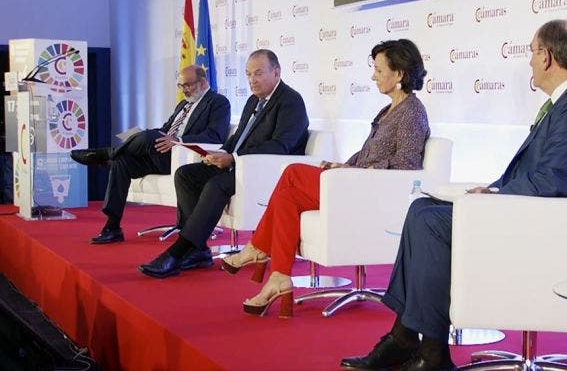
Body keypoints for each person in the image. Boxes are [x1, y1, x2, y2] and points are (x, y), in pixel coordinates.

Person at [340, 19, 567, 371]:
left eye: (533, 53)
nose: (530, 62)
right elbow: (543, 176)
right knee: (424, 209)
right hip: (536, 212)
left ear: (547, 56)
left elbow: (551, 181)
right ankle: (412, 342)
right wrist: (491, 191)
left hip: (553, 227)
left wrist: (492, 197)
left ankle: (423, 349)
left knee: (430, 222)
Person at [221, 39, 431, 318]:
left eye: (379, 71)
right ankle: (279, 277)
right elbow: (368, 152)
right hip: (353, 183)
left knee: (294, 171)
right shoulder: (388, 109)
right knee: (287, 197)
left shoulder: (412, 113)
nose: (373, 76)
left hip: (371, 192)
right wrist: (344, 164)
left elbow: (406, 164)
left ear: (400, 74)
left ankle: (258, 247)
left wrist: (357, 171)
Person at [138, 49, 310, 279]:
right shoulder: (253, 101)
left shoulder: (291, 101)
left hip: (264, 171)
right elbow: (239, 137)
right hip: (239, 165)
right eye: (248, 74)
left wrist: (234, 158)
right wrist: (220, 153)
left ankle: (179, 251)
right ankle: (198, 250)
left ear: (276, 72)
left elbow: (280, 147)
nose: (252, 80)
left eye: (258, 73)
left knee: (216, 184)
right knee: (186, 175)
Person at [71, 65, 231, 244]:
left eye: (188, 85)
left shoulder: (218, 102)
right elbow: (165, 130)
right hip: (161, 154)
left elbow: (214, 135)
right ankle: (112, 226)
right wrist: (154, 136)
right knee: (122, 162)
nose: (184, 90)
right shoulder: (183, 105)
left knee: (148, 136)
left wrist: (177, 140)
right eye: (181, 86)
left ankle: (106, 154)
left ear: (202, 82)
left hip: (183, 158)